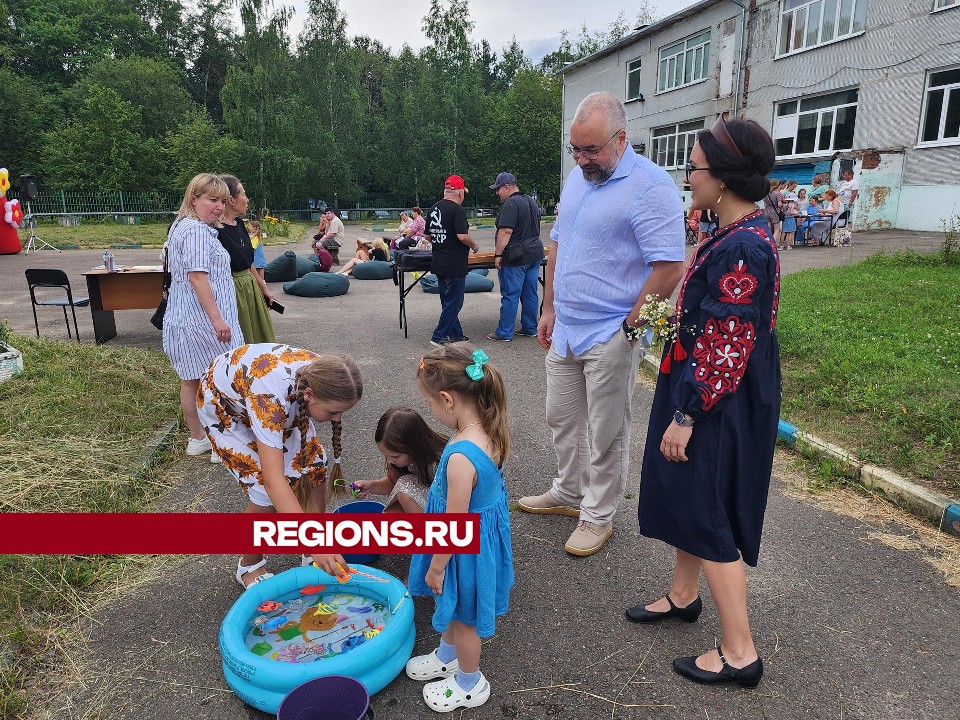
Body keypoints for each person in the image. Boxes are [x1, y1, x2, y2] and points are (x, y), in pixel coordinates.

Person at [627, 115, 780, 690]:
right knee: (688, 494)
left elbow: (728, 342)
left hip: (715, 398)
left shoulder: (741, 247)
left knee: (709, 506)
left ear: (724, 177)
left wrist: (687, 413)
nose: (688, 177)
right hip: (707, 384)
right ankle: (684, 596)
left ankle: (740, 651)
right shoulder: (732, 231)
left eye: (693, 168)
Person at [518, 92, 685, 556]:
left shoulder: (651, 186)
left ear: (621, 138)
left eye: (591, 151)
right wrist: (548, 308)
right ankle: (569, 492)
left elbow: (669, 266)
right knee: (561, 416)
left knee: (607, 428)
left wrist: (630, 328)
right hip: (567, 327)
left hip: (611, 329)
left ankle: (597, 515)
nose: (582, 160)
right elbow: (557, 246)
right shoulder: (577, 180)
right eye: (576, 150)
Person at [198, 344, 363, 586]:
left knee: (315, 466)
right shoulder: (270, 400)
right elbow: (274, 480)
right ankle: (249, 565)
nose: (338, 419)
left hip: (268, 402)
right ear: (309, 395)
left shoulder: (325, 376)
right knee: (264, 490)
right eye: (334, 412)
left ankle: (311, 554)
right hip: (228, 410)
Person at [406, 345, 514, 712]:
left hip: (459, 550)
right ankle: (447, 654)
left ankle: (470, 682)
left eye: (431, 405)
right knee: (450, 606)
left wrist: (437, 566)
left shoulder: (460, 457)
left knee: (464, 617)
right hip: (472, 545)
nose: (432, 412)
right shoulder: (488, 429)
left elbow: (453, 525)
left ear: (448, 400)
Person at [162, 173, 242, 463]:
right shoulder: (194, 230)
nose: (219, 207)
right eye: (212, 200)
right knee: (214, 382)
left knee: (193, 380)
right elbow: (197, 276)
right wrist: (218, 319)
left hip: (190, 319)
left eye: (223, 201)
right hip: (201, 323)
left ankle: (200, 438)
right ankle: (215, 440)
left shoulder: (187, 226)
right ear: (194, 198)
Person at [217, 175, 276, 343]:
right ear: (231, 200)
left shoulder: (240, 224)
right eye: (243, 194)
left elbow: (248, 263)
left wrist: (264, 289)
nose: (247, 199)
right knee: (241, 337)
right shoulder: (215, 230)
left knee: (259, 335)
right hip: (232, 289)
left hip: (250, 286)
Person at [486, 172, 544, 342]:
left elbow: (506, 231)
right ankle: (530, 327)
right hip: (534, 253)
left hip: (516, 256)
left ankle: (504, 332)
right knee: (530, 293)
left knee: (511, 293)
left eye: (498, 189)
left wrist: (497, 254)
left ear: (507, 186)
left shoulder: (511, 204)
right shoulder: (531, 201)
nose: (497, 193)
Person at [354, 407, 447, 512]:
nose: (389, 461)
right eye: (386, 456)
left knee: (404, 487)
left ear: (413, 446)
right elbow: (393, 483)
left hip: (445, 507)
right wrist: (371, 486)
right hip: (424, 499)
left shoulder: (442, 460)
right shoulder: (399, 459)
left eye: (395, 456)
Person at [425, 175, 479, 347]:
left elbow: (427, 236)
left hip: (439, 261)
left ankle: (457, 334)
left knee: (447, 301)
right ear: (460, 192)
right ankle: (438, 336)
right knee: (455, 302)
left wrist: (442, 242)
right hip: (455, 262)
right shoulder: (457, 210)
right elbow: (462, 236)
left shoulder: (433, 208)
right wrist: (474, 245)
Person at [763, 178, 783, 246]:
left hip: (767, 211)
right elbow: (779, 205)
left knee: (768, 229)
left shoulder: (766, 193)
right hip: (774, 212)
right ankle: (772, 244)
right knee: (777, 230)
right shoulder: (777, 194)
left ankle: (766, 240)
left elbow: (765, 204)